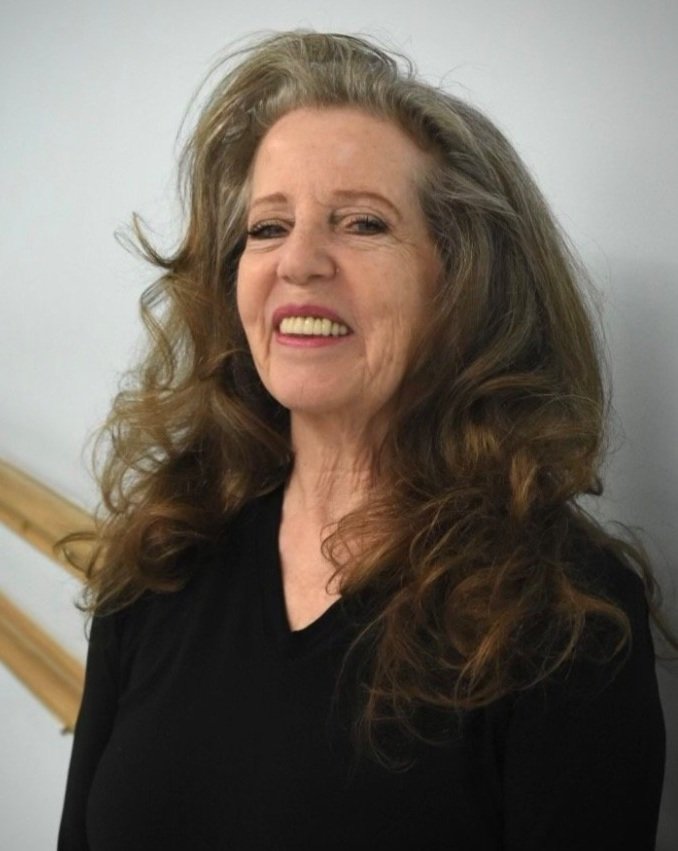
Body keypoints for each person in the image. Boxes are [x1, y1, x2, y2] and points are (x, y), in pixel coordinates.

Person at [58, 31, 666, 850]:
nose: (299, 262)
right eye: (269, 226)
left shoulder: (560, 611)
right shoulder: (164, 557)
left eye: (362, 222)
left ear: (465, 279)